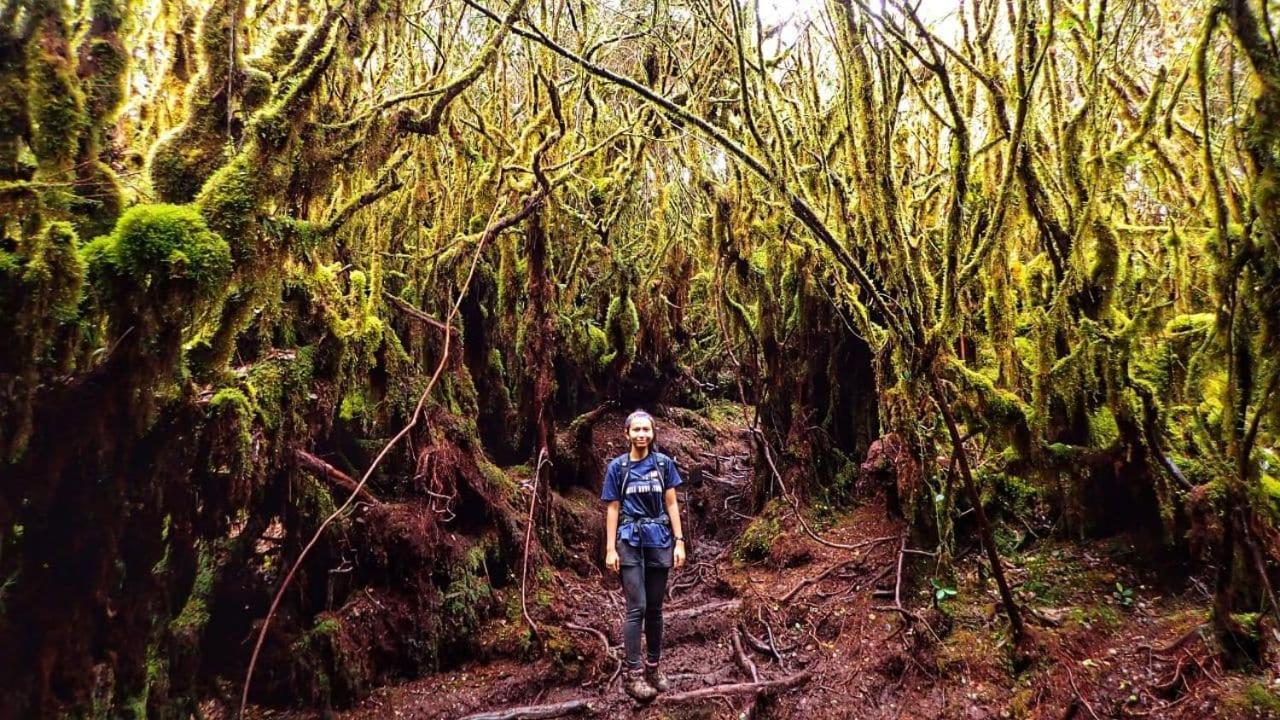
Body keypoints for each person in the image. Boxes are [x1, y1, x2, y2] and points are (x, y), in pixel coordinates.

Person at [600, 409, 686, 702]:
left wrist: (679, 541)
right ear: (627, 434)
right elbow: (612, 508)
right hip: (629, 540)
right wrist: (610, 548)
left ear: (652, 433)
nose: (641, 435)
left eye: (646, 430)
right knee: (636, 606)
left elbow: (672, 504)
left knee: (656, 608)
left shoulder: (663, 465)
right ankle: (633, 674)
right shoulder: (618, 468)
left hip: (659, 539)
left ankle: (653, 667)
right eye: (636, 430)